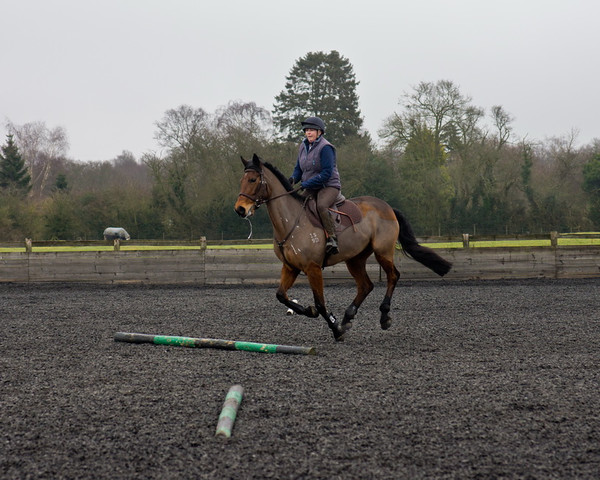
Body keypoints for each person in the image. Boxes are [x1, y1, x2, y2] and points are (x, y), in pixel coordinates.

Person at [288, 116, 341, 255]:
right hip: (311, 186)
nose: (308, 133)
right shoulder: (303, 146)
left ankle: (332, 239)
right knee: (298, 205)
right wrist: (293, 179)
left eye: (312, 130)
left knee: (321, 206)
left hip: (328, 185)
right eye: (306, 130)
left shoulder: (326, 148)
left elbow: (326, 174)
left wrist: (306, 184)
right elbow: (299, 168)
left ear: (320, 132)